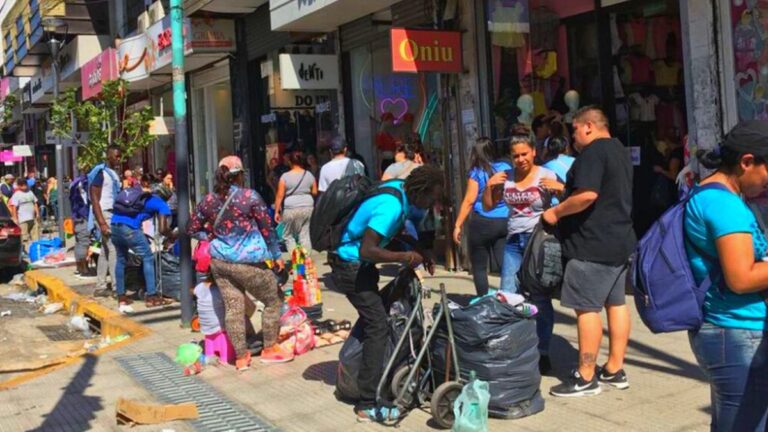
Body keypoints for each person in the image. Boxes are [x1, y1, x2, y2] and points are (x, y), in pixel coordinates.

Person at [328, 165, 444, 422]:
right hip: (350, 266)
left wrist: (420, 251)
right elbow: (367, 250)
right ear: (421, 192)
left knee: (374, 318)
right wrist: (406, 256)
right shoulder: (391, 207)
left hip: (359, 267)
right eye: (431, 199)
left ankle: (358, 372)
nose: (431, 205)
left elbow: (392, 235)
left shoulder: (401, 191)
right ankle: (367, 402)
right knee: (378, 325)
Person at [542, 107, 634, 397]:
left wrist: (556, 212)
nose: (574, 136)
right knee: (616, 304)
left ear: (589, 126)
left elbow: (588, 195)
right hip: (620, 240)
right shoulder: (619, 149)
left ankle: (585, 376)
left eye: (575, 130)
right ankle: (614, 368)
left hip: (592, 243)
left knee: (587, 308)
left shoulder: (593, 152)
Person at [684, 121, 768, 431]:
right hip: (735, 331)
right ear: (747, 162)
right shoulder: (722, 204)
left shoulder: (711, 194)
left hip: (729, 331)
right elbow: (741, 277)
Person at [188, 155, 291, 370]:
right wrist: (276, 254)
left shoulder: (208, 200)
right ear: (240, 175)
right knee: (274, 300)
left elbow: (191, 228)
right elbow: (267, 228)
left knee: (233, 308)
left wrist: (211, 237)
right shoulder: (249, 197)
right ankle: (270, 348)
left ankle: (241, 358)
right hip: (249, 262)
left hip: (220, 263)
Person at [483, 135, 557, 370]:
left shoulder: (546, 175)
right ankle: (510, 348)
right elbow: (487, 206)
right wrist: (489, 185)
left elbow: (565, 202)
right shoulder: (507, 177)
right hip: (514, 240)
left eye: (524, 154)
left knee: (540, 297)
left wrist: (560, 189)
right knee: (506, 294)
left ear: (534, 152)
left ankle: (543, 351)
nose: (520, 159)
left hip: (539, 242)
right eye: (515, 155)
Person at [453, 137, 512, 296]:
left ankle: (483, 299)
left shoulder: (476, 172)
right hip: (504, 221)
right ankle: (511, 295)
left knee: (479, 267)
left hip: (482, 222)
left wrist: (458, 225)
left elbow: (469, 201)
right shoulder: (505, 167)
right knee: (504, 263)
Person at [111, 175, 175, 309]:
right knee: (148, 257)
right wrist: (173, 235)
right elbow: (163, 229)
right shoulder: (161, 204)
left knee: (121, 259)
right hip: (130, 229)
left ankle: (121, 295)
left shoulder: (142, 197)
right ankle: (151, 296)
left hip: (115, 225)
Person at [89, 145, 123, 298]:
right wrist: (102, 222)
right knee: (114, 248)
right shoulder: (100, 173)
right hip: (104, 213)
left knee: (105, 250)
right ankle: (117, 287)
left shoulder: (114, 174)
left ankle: (101, 286)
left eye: (119, 156)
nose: (118, 159)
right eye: (116, 156)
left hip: (112, 213)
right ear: (108, 156)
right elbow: (94, 198)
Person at [274, 152, 317, 253]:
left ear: (290, 162)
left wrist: (276, 211)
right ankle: (305, 261)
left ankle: (296, 261)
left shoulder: (285, 176)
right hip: (307, 207)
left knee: (287, 235)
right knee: (305, 234)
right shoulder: (309, 175)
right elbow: (314, 191)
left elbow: (280, 195)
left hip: (291, 208)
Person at [70, 169, 95, 279]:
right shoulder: (84, 183)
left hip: (77, 216)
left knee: (79, 242)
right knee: (83, 242)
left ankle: (79, 267)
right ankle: (83, 268)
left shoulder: (75, 182)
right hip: (83, 216)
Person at [9, 178, 39, 253]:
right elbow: (14, 207)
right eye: (22, 185)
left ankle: (36, 250)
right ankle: (24, 251)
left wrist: (37, 213)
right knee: (24, 236)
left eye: (25, 185)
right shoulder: (16, 195)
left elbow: (35, 203)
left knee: (35, 235)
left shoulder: (30, 192)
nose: (24, 187)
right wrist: (15, 218)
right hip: (23, 219)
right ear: (19, 186)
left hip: (32, 218)